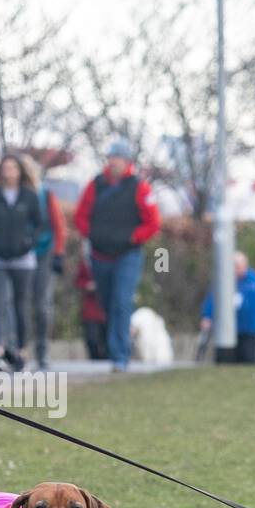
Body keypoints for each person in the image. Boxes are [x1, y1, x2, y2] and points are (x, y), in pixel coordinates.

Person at [73, 139, 161, 371]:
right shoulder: (96, 185)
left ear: (126, 162)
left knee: (122, 302)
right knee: (108, 304)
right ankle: (117, 349)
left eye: (118, 158)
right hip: (100, 255)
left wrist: (132, 237)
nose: (113, 163)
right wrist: (91, 234)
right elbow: (81, 215)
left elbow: (153, 223)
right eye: (111, 158)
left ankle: (120, 356)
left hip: (127, 256)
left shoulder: (139, 187)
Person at [0, 154, 42, 371]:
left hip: (23, 259)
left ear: (20, 171)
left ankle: (20, 350)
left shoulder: (29, 196)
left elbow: (39, 224)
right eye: (5, 168)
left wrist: (28, 242)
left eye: (13, 168)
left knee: (20, 304)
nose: (9, 172)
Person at [21, 155, 67, 370]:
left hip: (43, 254)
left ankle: (42, 351)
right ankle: (20, 351)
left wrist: (58, 253)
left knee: (41, 305)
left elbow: (58, 226)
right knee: (19, 305)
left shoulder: (45, 195)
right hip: (18, 254)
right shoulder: (14, 196)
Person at [199, 252, 255, 363]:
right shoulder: (223, 281)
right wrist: (207, 316)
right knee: (225, 359)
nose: (237, 270)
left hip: (251, 328)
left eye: (239, 266)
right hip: (227, 329)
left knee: (247, 358)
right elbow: (212, 299)